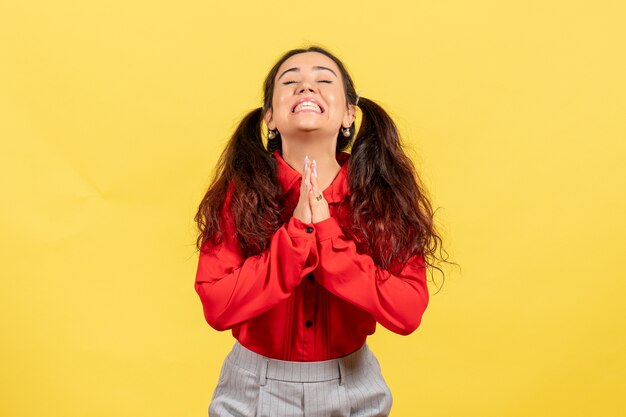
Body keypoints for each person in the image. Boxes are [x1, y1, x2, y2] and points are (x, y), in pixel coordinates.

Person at [194, 45, 446, 417]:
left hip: (353, 385)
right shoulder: (240, 194)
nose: (307, 88)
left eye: (324, 81)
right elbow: (218, 304)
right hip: (252, 390)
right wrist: (296, 234)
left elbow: (406, 310)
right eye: (291, 81)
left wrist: (326, 235)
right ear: (270, 118)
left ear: (348, 114)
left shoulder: (382, 196)